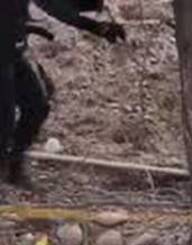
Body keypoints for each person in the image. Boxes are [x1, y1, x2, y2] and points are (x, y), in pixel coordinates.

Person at [1, 0, 125, 188]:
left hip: (13, 52)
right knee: (5, 120)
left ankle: (12, 166)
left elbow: (53, 5)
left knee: (37, 107)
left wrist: (97, 27)